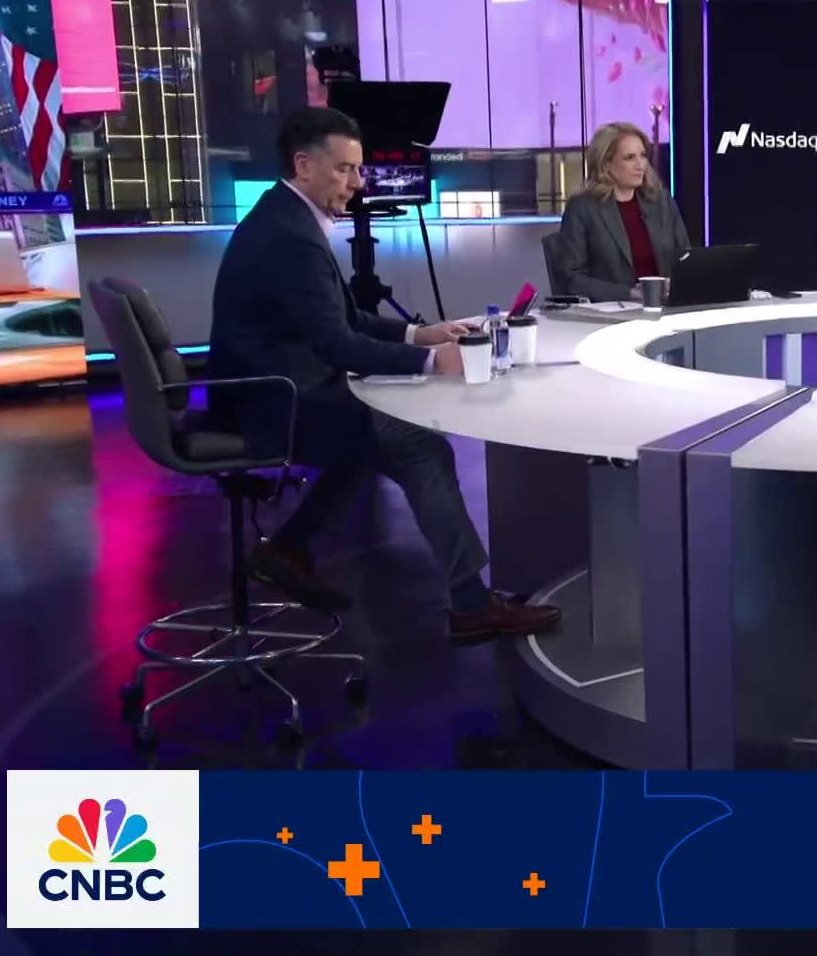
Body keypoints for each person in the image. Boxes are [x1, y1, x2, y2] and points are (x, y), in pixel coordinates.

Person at [208, 107, 561, 645]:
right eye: (345, 169)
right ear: (303, 165)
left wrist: (421, 334)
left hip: (278, 385)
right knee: (415, 443)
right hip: (273, 399)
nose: (357, 183)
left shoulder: (285, 217)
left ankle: (291, 547)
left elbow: (345, 320)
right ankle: (469, 604)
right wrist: (433, 362)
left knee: (387, 436)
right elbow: (337, 344)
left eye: (358, 169)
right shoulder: (289, 236)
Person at [552, 122, 692, 302]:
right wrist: (629, 293)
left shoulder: (661, 201)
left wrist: (674, 283)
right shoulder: (583, 208)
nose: (640, 165)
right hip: (615, 310)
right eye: (629, 158)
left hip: (666, 306)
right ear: (606, 164)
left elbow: (685, 258)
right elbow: (571, 280)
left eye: (643, 156)